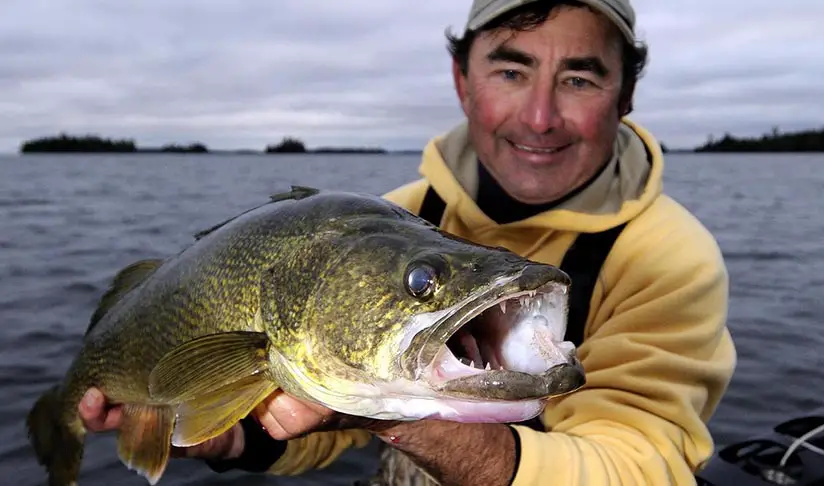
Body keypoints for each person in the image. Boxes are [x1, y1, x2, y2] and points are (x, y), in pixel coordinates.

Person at [78, 0, 737, 484]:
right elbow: (320, 424)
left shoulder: (667, 256)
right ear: (462, 82)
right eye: (511, 71)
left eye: (580, 78)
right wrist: (231, 439)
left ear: (624, 97)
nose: (539, 115)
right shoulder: (396, 217)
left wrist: (401, 420)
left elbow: (641, 467)